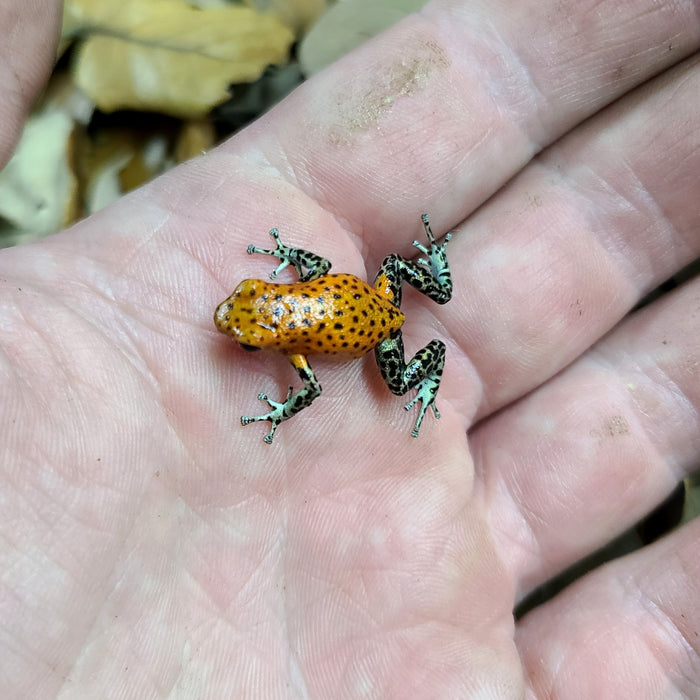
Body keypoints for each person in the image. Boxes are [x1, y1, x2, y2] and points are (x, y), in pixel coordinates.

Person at [2, 0, 699, 696]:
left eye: (246, 321)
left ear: (271, 321)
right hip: (369, 295)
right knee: (399, 271)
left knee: (393, 384)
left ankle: (427, 365)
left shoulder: (297, 348)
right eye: (244, 318)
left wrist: (280, 407)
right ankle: (431, 270)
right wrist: (286, 266)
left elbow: (306, 386)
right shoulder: (292, 321)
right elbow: (307, 280)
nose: (232, 318)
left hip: (383, 326)